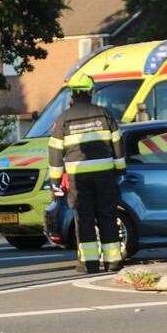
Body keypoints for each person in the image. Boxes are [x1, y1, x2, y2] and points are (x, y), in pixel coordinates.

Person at [48, 73, 125, 274]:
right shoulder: (105, 114)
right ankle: (113, 261)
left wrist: (55, 181)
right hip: (105, 177)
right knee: (107, 216)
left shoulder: (64, 119)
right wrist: (119, 171)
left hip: (78, 178)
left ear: (73, 93)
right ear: (90, 92)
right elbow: (118, 146)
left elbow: (55, 152)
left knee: (84, 219)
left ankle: (89, 263)